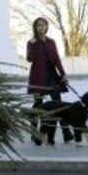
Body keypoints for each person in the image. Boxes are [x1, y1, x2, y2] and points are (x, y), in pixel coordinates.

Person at [26, 17, 69, 145]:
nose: (41, 27)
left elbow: (57, 60)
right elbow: (29, 59)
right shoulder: (31, 42)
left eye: (43, 25)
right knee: (38, 106)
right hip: (37, 77)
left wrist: (63, 74)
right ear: (35, 27)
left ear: (46, 27)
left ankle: (67, 133)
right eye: (39, 25)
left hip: (52, 77)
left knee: (59, 105)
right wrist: (32, 45)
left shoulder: (51, 42)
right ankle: (35, 133)